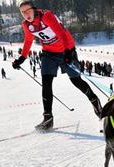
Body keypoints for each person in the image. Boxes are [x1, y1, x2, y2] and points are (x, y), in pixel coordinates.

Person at [12, 0, 102, 131]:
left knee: (76, 81)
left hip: (65, 50)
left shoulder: (46, 16)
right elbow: (28, 40)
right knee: (46, 82)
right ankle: (48, 118)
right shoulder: (27, 25)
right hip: (48, 53)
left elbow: (61, 33)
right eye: (22, 13)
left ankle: (97, 105)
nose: (26, 14)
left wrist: (68, 51)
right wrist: (22, 58)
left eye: (28, 10)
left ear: (34, 9)